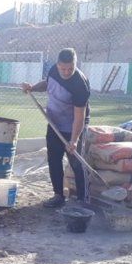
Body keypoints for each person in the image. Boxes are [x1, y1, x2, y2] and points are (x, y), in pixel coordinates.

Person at [21, 48, 90, 208]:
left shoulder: (80, 84)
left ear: (75, 64)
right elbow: (48, 84)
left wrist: (74, 140)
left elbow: (79, 117)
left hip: (74, 126)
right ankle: (58, 195)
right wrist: (32, 88)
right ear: (58, 65)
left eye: (70, 69)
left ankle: (83, 199)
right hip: (54, 123)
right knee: (54, 159)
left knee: (76, 162)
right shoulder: (53, 70)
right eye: (63, 68)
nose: (66, 72)